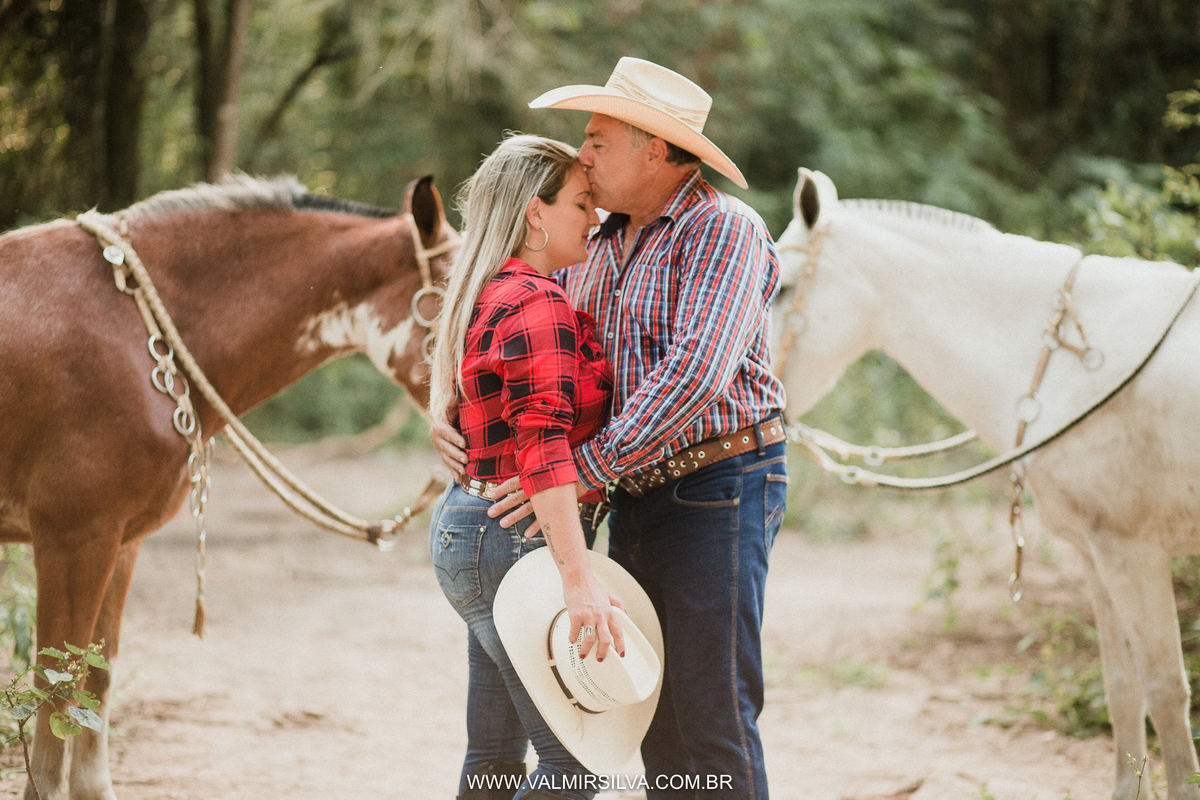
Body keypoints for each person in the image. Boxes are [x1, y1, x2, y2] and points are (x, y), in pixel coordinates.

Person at [433, 59, 788, 799]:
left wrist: (585, 471)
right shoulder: (590, 243)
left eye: (597, 140)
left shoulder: (723, 231)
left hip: (716, 485)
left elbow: (696, 372)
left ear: (652, 150)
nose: (583, 155)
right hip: (628, 491)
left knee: (711, 708)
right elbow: (524, 360)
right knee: (646, 705)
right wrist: (458, 416)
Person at [427, 134, 629, 800]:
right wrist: (579, 580)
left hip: (474, 527)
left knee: (494, 757)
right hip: (513, 543)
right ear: (535, 212)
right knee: (576, 763)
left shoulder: (491, 290)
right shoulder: (538, 303)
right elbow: (542, 447)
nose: (594, 217)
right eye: (580, 203)